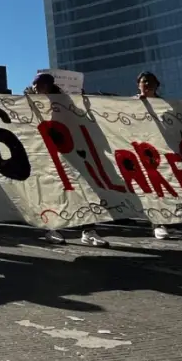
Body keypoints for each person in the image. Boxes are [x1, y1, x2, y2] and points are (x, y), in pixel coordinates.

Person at [33, 73, 109, 247]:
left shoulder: (67, 102)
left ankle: (88, 230)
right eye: (35, 85)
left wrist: (81, 101)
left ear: (48, 85)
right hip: (46, 155)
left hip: (71, 152)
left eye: (39, 85)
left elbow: (84, 121)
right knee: (54, 191)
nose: (36, 88)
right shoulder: (29, 102)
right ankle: (52, 228)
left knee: (83, 190)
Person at [134, 71, 174, 240]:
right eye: (144, 82)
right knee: (149, 187)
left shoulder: (165, 105)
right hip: (137, 152)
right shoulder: (129, 103)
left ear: (157, 85)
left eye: (150, 82)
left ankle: (161, 221)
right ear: (138, 85)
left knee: (162, 188)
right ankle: (158, 222)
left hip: (161, 152)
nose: (147, 85)